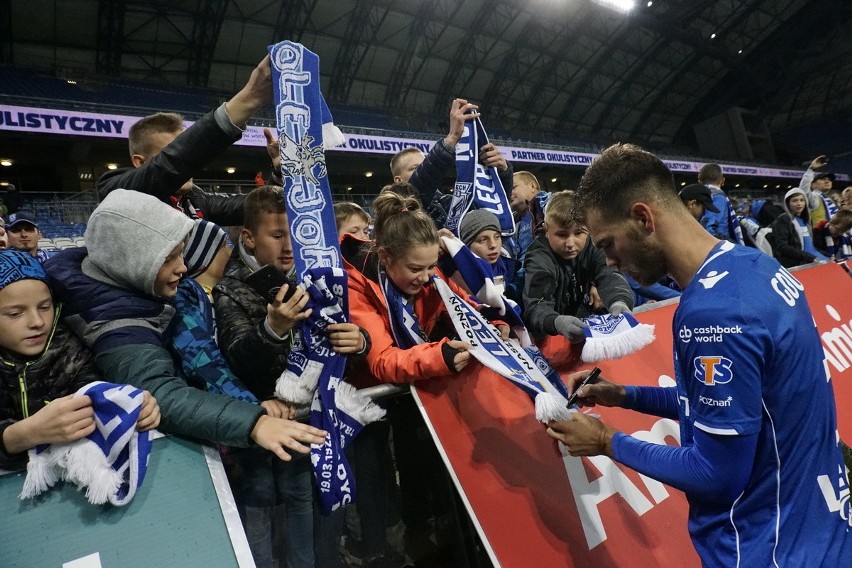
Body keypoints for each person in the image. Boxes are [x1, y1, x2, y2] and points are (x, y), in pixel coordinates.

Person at [547, 143, 851, 566]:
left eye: (609, 243)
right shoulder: (753, 265)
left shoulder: (713, 314)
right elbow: (745, 409)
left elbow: (716, 475)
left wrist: (604, 440)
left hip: (769, 550)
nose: (610, 261)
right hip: (820, 530)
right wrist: (625, 395)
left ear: (642, 218)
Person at [43, 189, 326, 465]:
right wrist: (253, 421)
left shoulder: (153, 288)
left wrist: (247, 406)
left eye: (181, 254)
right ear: (131, 259)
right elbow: (161, 392)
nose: (183, 267)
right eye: (169, 259)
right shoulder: (115, 323)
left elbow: (204, 360)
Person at [213, 185, 367, 568]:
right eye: (277, 234)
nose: (287, 245)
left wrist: (359, 341)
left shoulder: (315, 280)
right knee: (262, 516)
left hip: (311, 424)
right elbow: (236, 360)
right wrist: (273, 329)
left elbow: (345, 335)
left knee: (306, 508)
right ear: (248, 237)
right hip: (261, 435)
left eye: (293, 235)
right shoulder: (229, 289)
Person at [0, 249, 160, 469]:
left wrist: (135, 407)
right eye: (15, 313)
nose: (37, 322)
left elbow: (99, 397)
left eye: (45, 307)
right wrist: (20, 435)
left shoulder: (74, 351)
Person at [96, 55, 279, 226]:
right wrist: (248, 99)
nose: (187, 164)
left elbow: (257, 209)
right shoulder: (116, 191)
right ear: (140, 162)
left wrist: (279, 173)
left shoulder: (195, 199)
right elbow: (170, 165)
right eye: (173, 149)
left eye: (183, 145)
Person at [522, 191, 633, 341]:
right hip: (545, 338)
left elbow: (609, 275)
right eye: (561, 235)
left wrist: (619, 302)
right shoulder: (539, 257)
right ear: (546, 231)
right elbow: (535, 306)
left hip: (578, 319)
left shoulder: (593, 246)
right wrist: (556, 322)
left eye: (579, 233)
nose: (570, 244)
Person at [389, 98, 513, 228]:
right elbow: (415, 191)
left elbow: (489, 215)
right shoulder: (392, 210)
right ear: (398, 180)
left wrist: (502, 172)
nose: (423, 169)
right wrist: (452, 139)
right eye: (416, 168)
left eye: (424, 164)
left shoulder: (449, 203)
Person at [769, 188, 828, 267]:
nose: (799, 203)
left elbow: (810, 245)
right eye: (795, 200)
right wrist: (809, 258)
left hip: (813, 257)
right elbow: (782, 247)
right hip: (799, 262)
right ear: (788, 203)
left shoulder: (807, 220)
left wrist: (827, 254)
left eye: (802, 200)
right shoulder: (783, 219)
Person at [509, 171, 549, 260]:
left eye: (513, 187)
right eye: (506, 190)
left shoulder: (550, 205)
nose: (508, 193)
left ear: (532, 186)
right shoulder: (510, 222)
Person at [697, 163, 741, 244]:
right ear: (722, 180)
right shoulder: (718, 197)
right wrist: (731, 244)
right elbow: (708, 228)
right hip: (716, 246)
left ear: (700, 181)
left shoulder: (696, 194)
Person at [798, 155, 836, 226]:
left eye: (829, 180)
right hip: (819, 235)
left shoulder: (832, 199)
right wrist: (811, 169)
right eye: (823, 179)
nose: (827, 181)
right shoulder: (814, 197)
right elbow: (803, 191)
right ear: (813, 185)